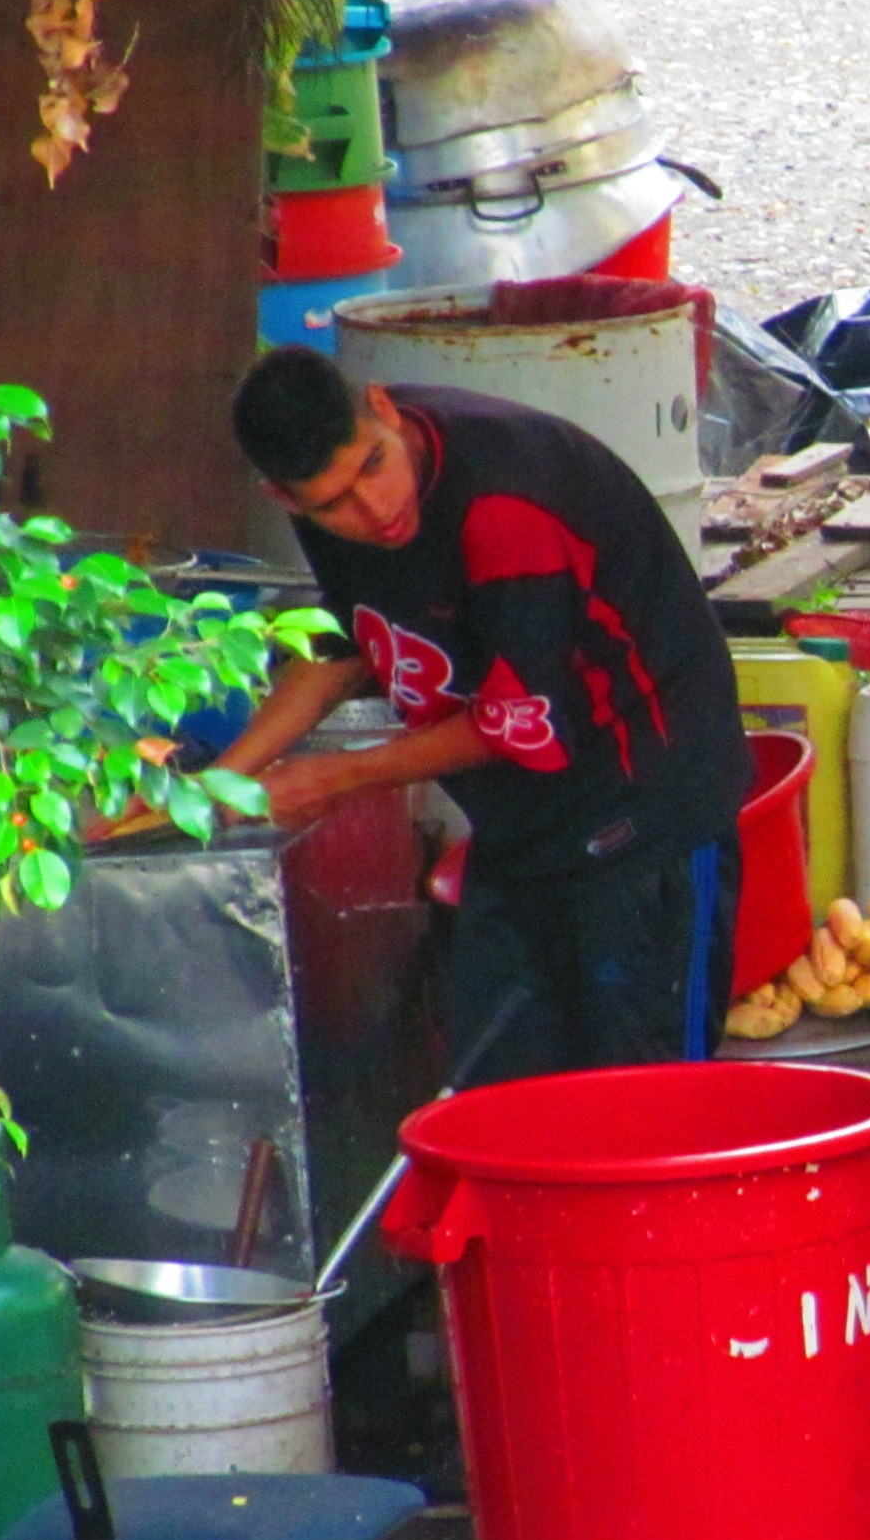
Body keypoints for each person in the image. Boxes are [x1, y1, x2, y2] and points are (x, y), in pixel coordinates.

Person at [200, 346, 750, 1081]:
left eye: (374, 465)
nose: (375, 509)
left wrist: (334, 779)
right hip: (527, 833)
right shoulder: (336, 508)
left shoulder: (504, 501)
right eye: (334, 502)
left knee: (646, 1104)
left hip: (647, 809)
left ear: (384, 410)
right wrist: (222, 776)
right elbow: (349, 637)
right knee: (500, 1102)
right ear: (285, 500)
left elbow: (518, 718)